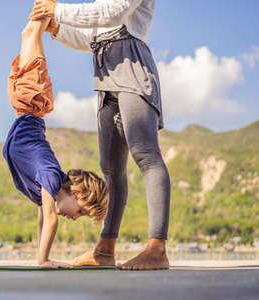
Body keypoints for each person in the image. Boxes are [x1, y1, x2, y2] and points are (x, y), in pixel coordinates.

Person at [30, 0, 171, 270]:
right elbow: (93, 39)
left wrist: (57, 10)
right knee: (110, 167)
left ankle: (157, 248)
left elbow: (112, 13)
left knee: (146, 155)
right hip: (107, 75)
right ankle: (105, 250)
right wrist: (57, 28)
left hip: (132, 66)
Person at [2, 16, 109, 268]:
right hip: (33, 103)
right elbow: (51, 221)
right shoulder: (51, 177)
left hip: (24, 106)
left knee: (29, 35)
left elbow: (42, 218)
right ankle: (42, 15)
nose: (76, 217)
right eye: (81, 211)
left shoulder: (46, 190)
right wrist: (45, 260)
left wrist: (41, 256)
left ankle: (38, 21)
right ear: (76, 191)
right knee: (32, 34)